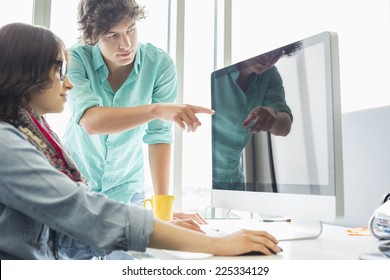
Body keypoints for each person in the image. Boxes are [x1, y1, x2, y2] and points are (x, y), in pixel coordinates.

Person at [0, 22, 281, 260]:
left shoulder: (26, 134)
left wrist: (160, 222)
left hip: (118, 201)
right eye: (61, 71)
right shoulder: (7, 145)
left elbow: (66, 233)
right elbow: (82, 212)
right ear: (28, 73)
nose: (69, 83)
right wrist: (218, 244)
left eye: (131, 30)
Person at [62, 0, 208, 223]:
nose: (126, 44)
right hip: (75, 186)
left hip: (127, 190)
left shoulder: (159, 65)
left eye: (131, 29)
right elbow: (91, 122)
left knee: (130, 257)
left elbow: (159, 136)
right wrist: (157, 110)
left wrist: (163, 212)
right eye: (113, 35)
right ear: (93, 36)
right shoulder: (76, 60)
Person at [212, 42, 301, 190]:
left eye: (277, 53)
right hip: (201, 179)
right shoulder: (217, 67)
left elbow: (285, 127)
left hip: (233, 182)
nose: (269, 58)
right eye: (266, 49)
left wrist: (273, 116)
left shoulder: (270, 75)